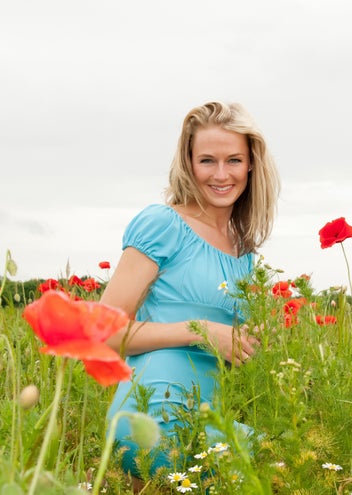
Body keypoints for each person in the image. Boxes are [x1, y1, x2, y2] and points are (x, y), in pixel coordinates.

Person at [101, 101, 280, 488]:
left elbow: (224, 346)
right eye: (207, 161)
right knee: (273, 467)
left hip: (206, 416)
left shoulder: (244, 252)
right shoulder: (163, 224)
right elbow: (106, 331)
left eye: (233, 160)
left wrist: (248, 342)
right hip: (154, 412)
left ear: (251, 165)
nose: (221, 174)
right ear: (188, 163)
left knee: (282, 460)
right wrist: (199, 330)